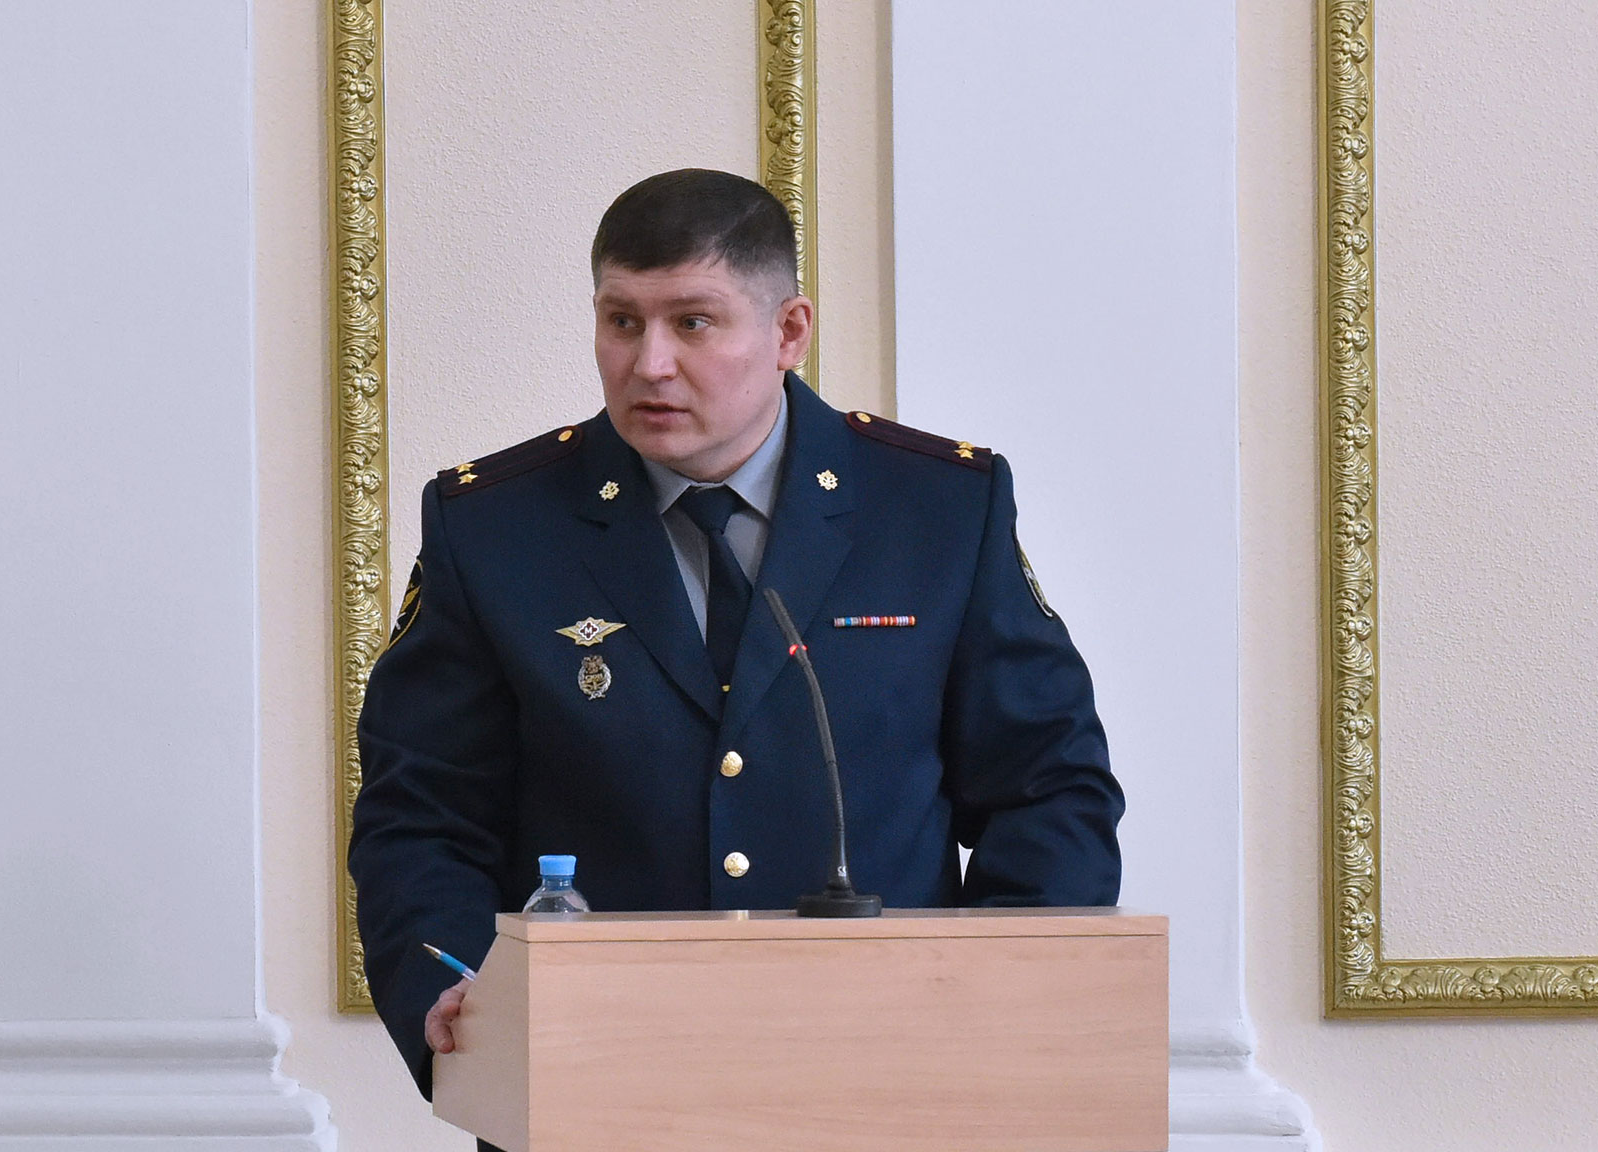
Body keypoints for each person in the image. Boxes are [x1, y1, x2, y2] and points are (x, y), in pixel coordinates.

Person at [349, 169, 1124, 1113]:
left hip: (893, 1076)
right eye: (622, 321)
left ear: (789, 332)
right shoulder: (496, 528)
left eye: (693, 322)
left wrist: (999, 1005)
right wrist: (462, 994)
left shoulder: (938, 511)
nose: (650, 363)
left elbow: (1048, 790)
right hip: (592, 1079)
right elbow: (420, 817)